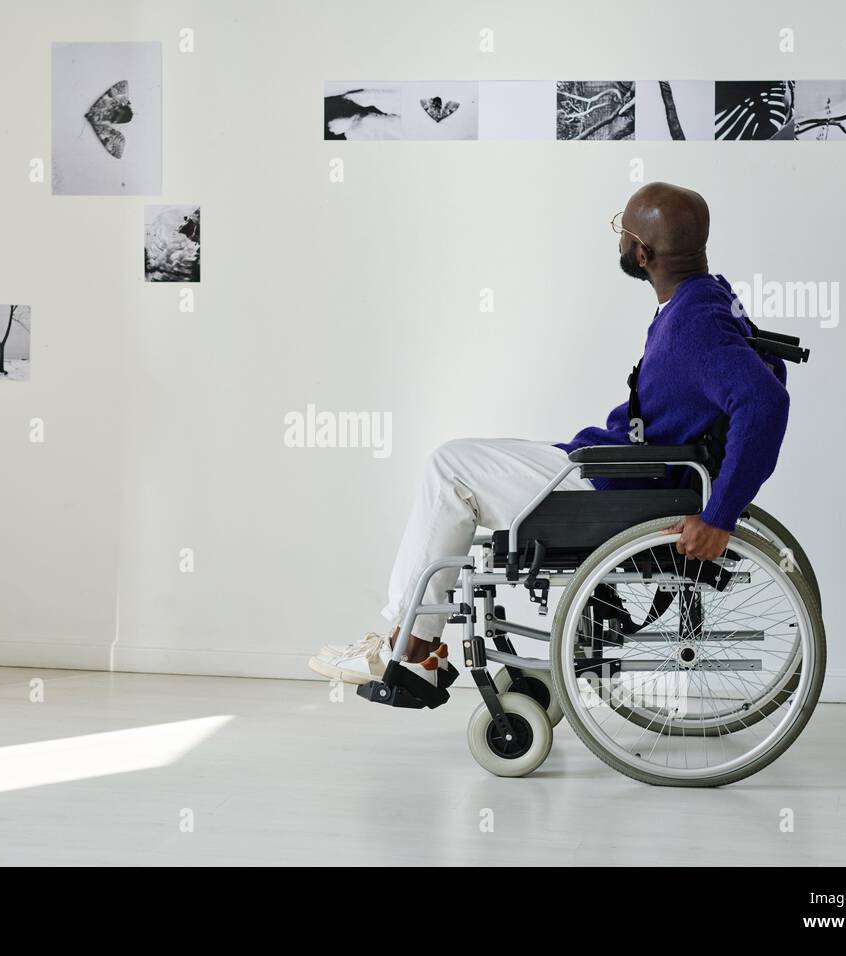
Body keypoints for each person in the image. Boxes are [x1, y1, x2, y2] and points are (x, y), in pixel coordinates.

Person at [309, 182, 790, 696]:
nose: (620, 242)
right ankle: (418, 642)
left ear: (643, 253)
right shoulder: (708, 294)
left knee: (449, 469)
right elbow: (769, 368)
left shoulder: (695, 322)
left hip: (620, 486)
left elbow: (765, 402)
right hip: (616, 463)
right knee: (467, 461)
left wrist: (719, 516)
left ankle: (408, 648)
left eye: (622, 232)